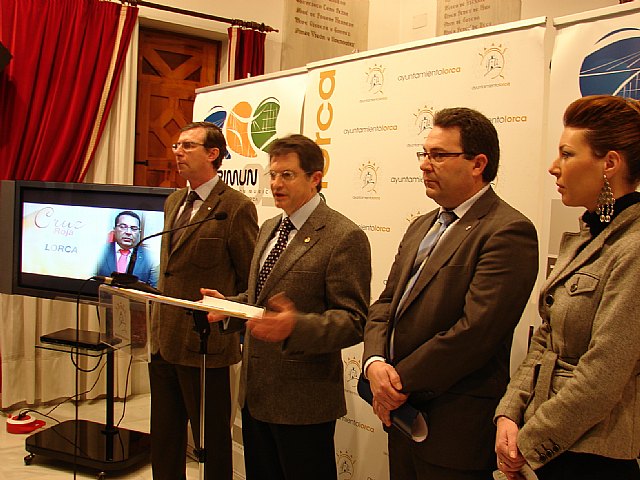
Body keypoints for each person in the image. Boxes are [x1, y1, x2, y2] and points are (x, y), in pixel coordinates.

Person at [363, 107, 539, 480]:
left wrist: (394, 384)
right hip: (400, 418)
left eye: (439, 155)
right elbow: (386, 305)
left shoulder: (507, 230)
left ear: (478, 164)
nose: (424, 165)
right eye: (424, 153)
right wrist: (374, 363)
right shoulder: (421, 225)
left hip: (453, 431)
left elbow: (475, 333)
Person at [203, 133, 371, 479]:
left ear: (315, 178)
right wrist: (230, 307)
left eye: (288, 175)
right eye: (273, 174)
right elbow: (259, 300)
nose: (276, 183)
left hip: (303, 401)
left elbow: (354, 321)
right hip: (256, 395)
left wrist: (296, 326)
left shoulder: (343, 236)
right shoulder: (269, 227)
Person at [495, 95, 640, 480]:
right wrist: (509, 413)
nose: (553, 167)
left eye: (567, 154)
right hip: (546, 448)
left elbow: (603, 375)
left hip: (592, 458)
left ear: (610, 163)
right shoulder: (585, 238)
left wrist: (529, 444)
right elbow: (545, 338)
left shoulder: (634, 248)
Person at [148, 121, 258, 480]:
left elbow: (250, 280)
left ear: (213, 154)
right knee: (165, 439)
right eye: (176, 145)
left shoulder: (236, 207)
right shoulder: (173, 201)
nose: (178, 152)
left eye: (188, 146)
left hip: (205, 344)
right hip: (164, 340)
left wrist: (229, 315)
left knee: (212, 445)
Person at [95, 210, 158, 287]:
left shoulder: (150, 258)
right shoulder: (100, 251)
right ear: (114, 229)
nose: (128, 232)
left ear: (139, 232)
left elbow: (154, 288)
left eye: (134, 228)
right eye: (123, 227)